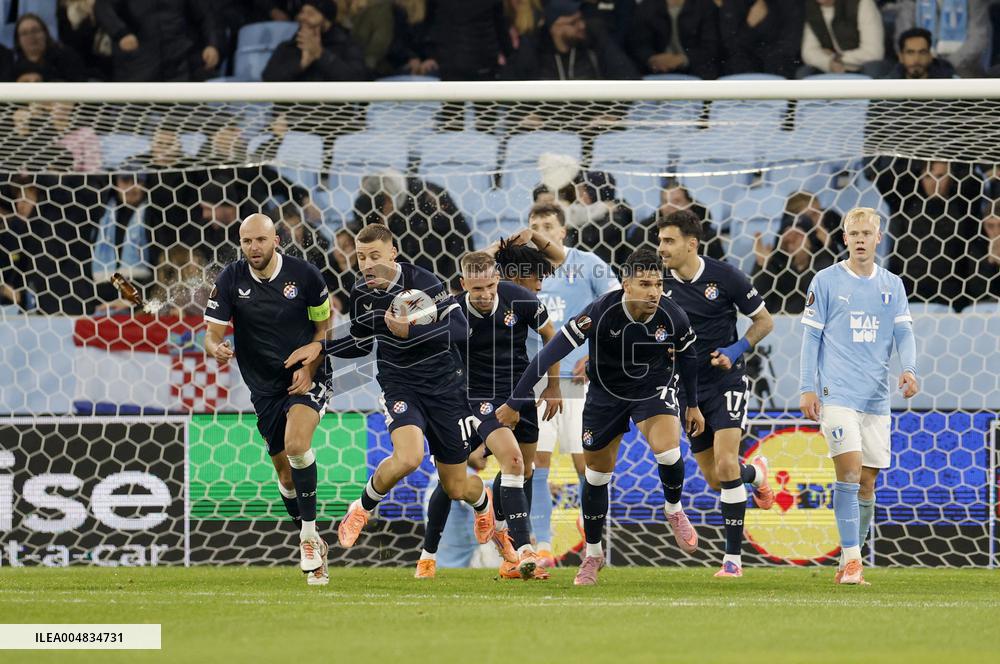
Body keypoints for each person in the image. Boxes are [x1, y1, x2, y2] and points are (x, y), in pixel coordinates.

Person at [284, 223, 497, 554]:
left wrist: (408, 332)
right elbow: (359, 341)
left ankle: (483, 502)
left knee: (456, 487)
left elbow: (459, 328)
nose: (368, 264)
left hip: (444, 388)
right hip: (399, 384)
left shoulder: (423, 282)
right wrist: (321, 346)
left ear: (393, 253)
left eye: (375, 256)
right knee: (409, 457)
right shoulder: (362, 293)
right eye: (361, 257)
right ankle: (362, 509)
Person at [497, 248, 705, 586]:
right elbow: (550, 352)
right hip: (605, 397)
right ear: (626, 284)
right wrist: (515, 400)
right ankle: (593, 554)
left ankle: (673, 508)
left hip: (652, 389)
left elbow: (689, 356)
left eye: (658, 284)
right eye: (645, 284)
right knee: (595, 479)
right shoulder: (599, 311)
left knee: (667, 450)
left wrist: (692, 404)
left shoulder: (673, 315)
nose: (653, 291)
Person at [203, 213, 335, 586]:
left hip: (307, 377)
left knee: (297, 444)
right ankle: (314, 542)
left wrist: (311, 364)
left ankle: (308, 538)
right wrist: (218, 348)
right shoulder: (231, 278)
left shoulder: (305, 275)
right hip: (263, 387)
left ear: (276, 240)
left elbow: (323, 328)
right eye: (246, 242)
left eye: (260, 240)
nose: (253, 248)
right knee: (284, 473)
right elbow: (211, 334)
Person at [416, 249, 562, 581]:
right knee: (509, 463)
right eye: (477, 288)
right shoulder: (450, 311)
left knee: (522, 472)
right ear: (464, 283)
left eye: (490, 287)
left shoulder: (520, 298)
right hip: (476, 398)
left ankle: (501, 544)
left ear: (498, 280)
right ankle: (522, 553)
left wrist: (553, 387)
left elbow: (553, 339)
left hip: (520, 394)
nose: (484, 295)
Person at [800, 207, 919, 585]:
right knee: (848, 474)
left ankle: (847, 557)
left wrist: (909, 369)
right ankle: (853, 564)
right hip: (838, 395)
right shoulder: (826, 281)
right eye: (855, 234)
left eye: (868, 233)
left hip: (875, 398)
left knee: (867, 483)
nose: (861, 240)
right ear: (845, 239)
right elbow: (811, 338)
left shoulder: (892, 285)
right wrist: (808, 387)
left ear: (879, 238)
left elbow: (904, 333)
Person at [658, 210, 776, 577]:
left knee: (726, 465)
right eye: (660, 240)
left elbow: (764, 321)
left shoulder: (726, 277)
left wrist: (736, 351)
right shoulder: (657, 284)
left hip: (727, 382)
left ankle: (733, 562)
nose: (661, 248)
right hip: (687, 390)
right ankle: (755, 475)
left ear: (691, 244)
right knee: (715, 478)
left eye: (669, 241)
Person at [523, 202, 619, 568]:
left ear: (563, 231)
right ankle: (544, 545)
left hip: (581, 382)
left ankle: (592, 538)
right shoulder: (522, 270)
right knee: (538, 461)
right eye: (534, 225)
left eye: (548, 225)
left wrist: (595, 355)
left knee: (587, 464)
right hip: (538, 380)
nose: (541, 231)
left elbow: (615, 304)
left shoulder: (587, 263)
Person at [261, 0, 368, 82]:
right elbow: (268, 79)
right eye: (302, 12)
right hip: (292, 110)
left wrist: (320, 54)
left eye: (311, 14)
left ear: (327, 21)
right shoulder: (286, 47)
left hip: (332, 110)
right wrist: (301, 64)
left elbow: (358, 81)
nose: (302, 17)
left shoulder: (348, 46)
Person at [798, 0, 884, 77]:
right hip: (830, 66)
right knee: (805, 72)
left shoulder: (862, 3)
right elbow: (809, 52)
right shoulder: (809, 7)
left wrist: (837, 58)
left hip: (860, 66)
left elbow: (873, 53)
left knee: (873, 69)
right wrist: (829, 63)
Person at [13, 13, 87, 82]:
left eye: (35, 31)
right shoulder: (13, 68)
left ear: (45, 33)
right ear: (18, 41)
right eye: (24, 33)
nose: (31, 36)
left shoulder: (66, 57)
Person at [881, 27, 957, 79]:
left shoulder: (950, 85)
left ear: (930, 56)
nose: (916, 59)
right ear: (901, 57)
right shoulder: (886, 87)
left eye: (922, 52)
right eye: (910, 53)